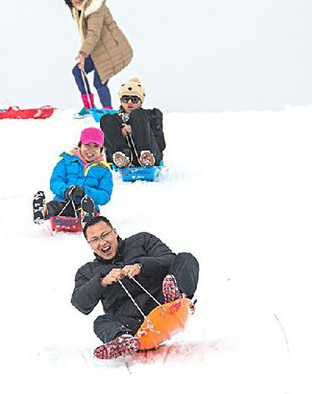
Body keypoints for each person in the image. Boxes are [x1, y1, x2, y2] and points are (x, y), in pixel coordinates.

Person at [72, 216, 200, 359]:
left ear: (114, 232)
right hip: (133, 323)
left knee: (185, 258)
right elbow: (79, 303)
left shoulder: (142, 241)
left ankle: (179, 298)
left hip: (163, 302)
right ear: (89, 244)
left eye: (105, 235)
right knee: (101, 321)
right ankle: (123, 340)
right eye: (94, 240)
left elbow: (170, 259)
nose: (102, 242)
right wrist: (102, 282)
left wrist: (141, 266)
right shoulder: (87, 271)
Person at [61, 0, 133, 117]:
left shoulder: (94, 8)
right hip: (98, 50)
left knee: (99, 82)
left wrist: (82, 53)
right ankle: (89, 107)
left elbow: (94, 34)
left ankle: (108, 112)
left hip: (113, 49)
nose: (75, 0)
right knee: (78, 71)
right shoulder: (79, 9)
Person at [32, 127, 113, 223]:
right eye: (87, 145)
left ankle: (86, 216)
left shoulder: (104, 170)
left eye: (95, 146)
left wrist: (85, 192)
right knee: (54, 206)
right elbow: (55, 181)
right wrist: (65, 190)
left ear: (101, 150)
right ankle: (42, 212)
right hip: (63, 201)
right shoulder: (66, 161)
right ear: (80, 145)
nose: (90, 150)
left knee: (87, 207)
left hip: (86, 204)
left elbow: (105, 196)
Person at [99, 77, 166, 167]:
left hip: (151, 155)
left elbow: (160, 143)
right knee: (105, 118)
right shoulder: (112, 120)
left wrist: (137, 130)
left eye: (134, 99)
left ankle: (145, 155)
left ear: (141, 101)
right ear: (121, 101)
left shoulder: (151, 115)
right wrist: (119, 134)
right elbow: (105, 145)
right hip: (122, 159)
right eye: (125, 99)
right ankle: (122, 156)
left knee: (138, 114)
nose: (129, 102)